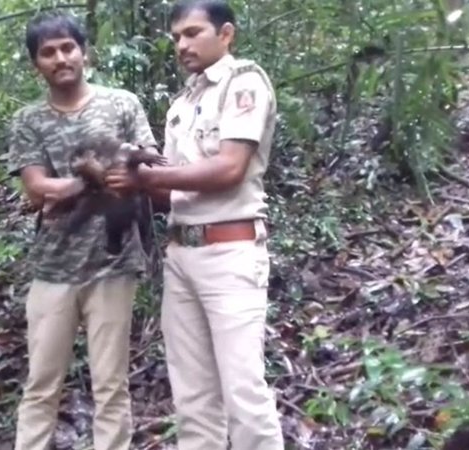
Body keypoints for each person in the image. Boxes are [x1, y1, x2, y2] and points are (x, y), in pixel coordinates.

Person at [105, 1, 285, 449]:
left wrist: (147, 177)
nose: (182, 44)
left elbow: (229, 169)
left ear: (225, 34)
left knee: (243, 392)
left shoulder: (243, 82)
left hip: (230, 251)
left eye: (192, 33)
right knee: (193, 396)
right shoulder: (182, 103)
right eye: (176, 38)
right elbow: (171, 193)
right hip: (182, 253)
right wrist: (124, 174)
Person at [4, 10, 159, 450]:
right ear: (36, 63)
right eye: (48, 52)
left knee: (111, 384)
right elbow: (36, 190)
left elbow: (146, 161)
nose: (60, 58)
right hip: (53, 267)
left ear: (84, 52)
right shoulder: (29, 120)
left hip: (113, 263)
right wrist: (91, 179)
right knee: (41, 384)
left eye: (67, 48)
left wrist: (84, 183)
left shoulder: (122, 103)